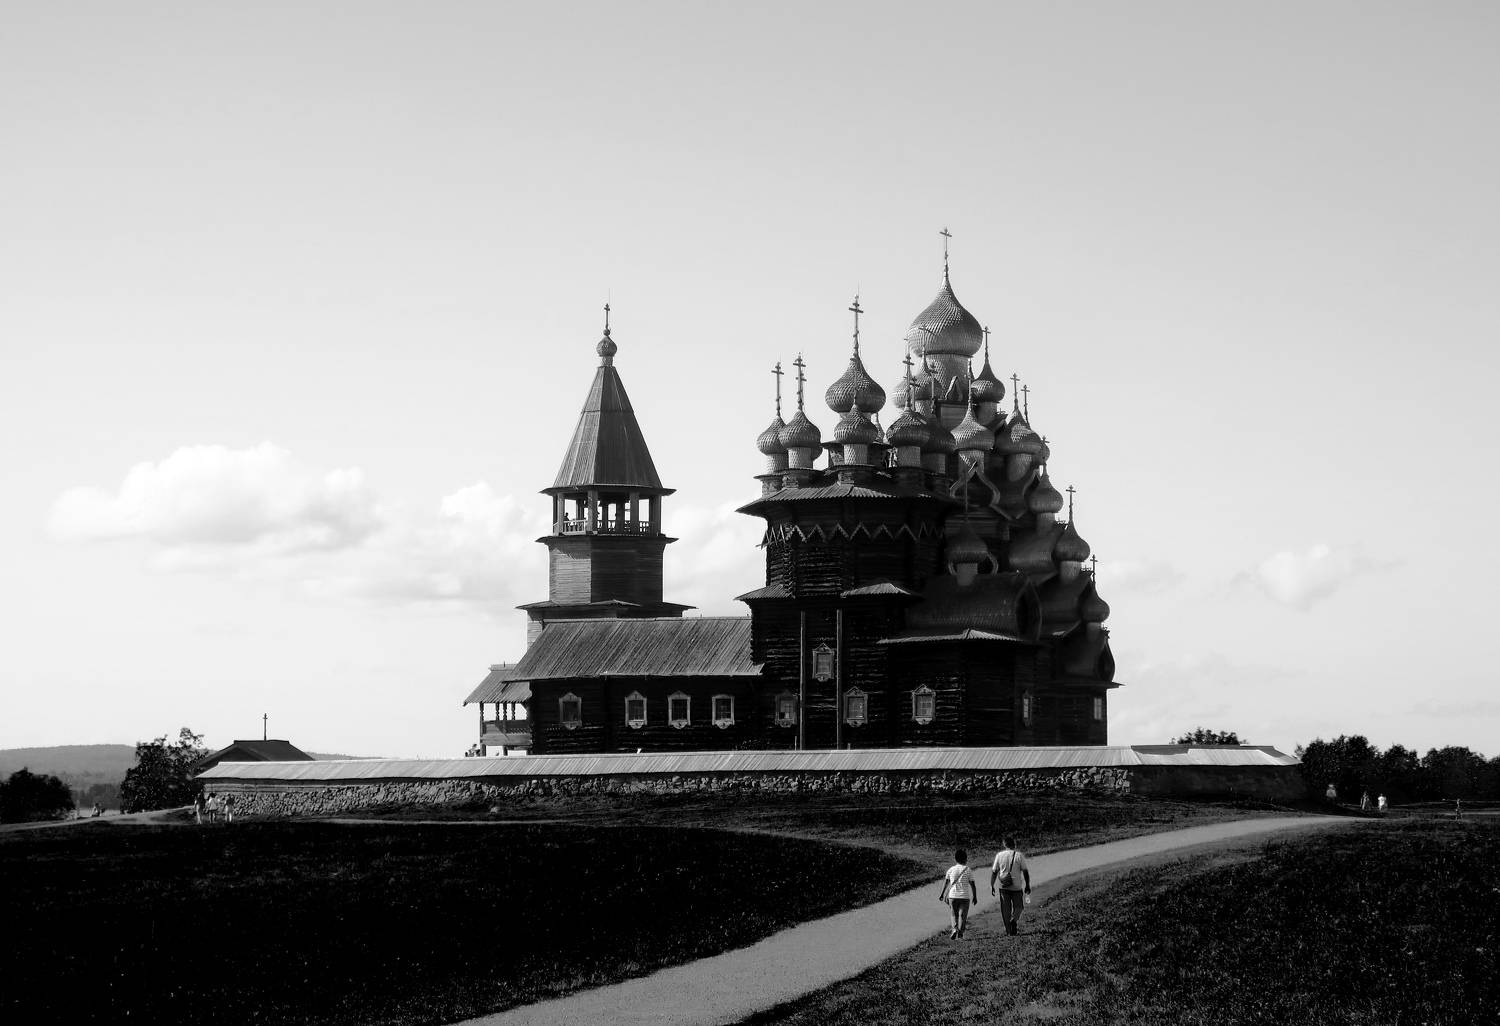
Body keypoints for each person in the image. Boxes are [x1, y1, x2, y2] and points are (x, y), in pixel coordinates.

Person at [990, 835, 1032, 935]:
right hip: (1016, 886)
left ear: (1004, 845)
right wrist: (1027, 885)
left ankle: (1009, 931)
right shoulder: (1019, 855)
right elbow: (1025, 871)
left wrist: (992, 885)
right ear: (1014, 844)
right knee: (1019, 907)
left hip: (1003, 886)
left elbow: (994, 872)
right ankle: (1014, 921)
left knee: (1005, 910)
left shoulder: (999, 855)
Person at [937, 848, 977, 940]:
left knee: (953, 914)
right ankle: (961, 933)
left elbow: (946, 883)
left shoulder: (951, 870)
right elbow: (973, 885)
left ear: (955, 859)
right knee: (963, 916)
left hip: (953, 896)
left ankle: (954, 929)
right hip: (964, 897)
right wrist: (975, 896)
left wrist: (942, 894)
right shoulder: (968, 870)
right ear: (965, 859)